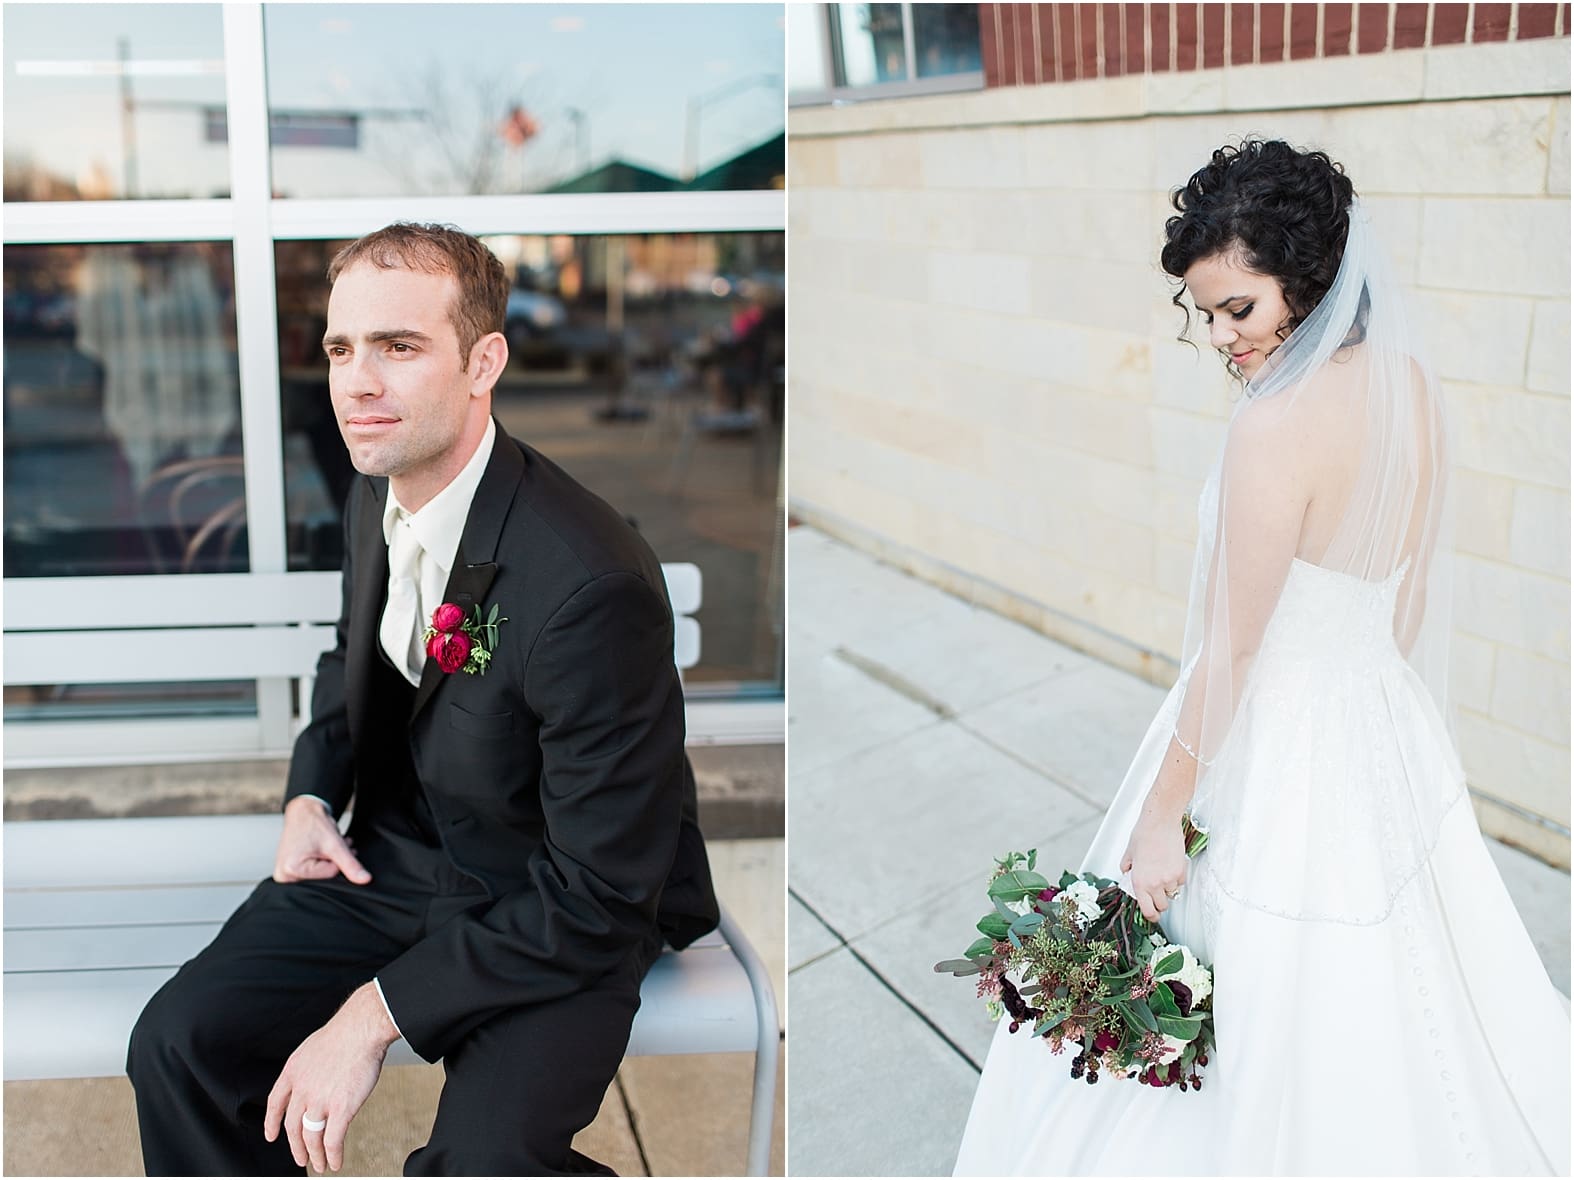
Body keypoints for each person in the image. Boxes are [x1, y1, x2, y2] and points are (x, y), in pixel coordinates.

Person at [953, 140, 1569, 1175]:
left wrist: (1159, 819)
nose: (1219, 337)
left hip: (1271, 726)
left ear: (1308, 278)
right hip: (1377, 709)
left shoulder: (1273, 427)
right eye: (1204, 314)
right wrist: (1358, 693)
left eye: (1238, 308)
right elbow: (1404, 592)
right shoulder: (1408, 383)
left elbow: (1231, 649)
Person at [127, 222, 719, 1176]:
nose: (359, 381)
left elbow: (605, 892)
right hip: (398, 860)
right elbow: (345, 656)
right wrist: (310, 796)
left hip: (554, 904)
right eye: (340, 348)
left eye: (398, 347)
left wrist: (372, 1015)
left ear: (484, 361)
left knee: (479, 1167)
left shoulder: (589, 583)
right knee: (179, 1048)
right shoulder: (380, 483)